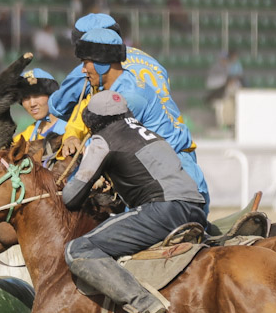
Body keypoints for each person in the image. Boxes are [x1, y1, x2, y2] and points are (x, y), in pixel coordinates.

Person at [61, 91, 208, 313]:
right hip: (195, 208)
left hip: (163, 210)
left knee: (79, 248)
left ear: (92, 119)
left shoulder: (102, 139)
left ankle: (141, 302)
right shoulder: (149, 133)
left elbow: (71, 197)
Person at [56, 23, 210, 211]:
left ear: (102, 63)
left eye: (85, 62)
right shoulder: (117, 88)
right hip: (160, 180)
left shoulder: (127, 99)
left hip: (173, 186)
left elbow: (101, 150)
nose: (82, 70)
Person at [11, 67, 70, 163]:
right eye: (26, 98)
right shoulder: (27, 136)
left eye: (37, 95)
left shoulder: (71, 127)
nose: (32, 103)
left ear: (52, 96)